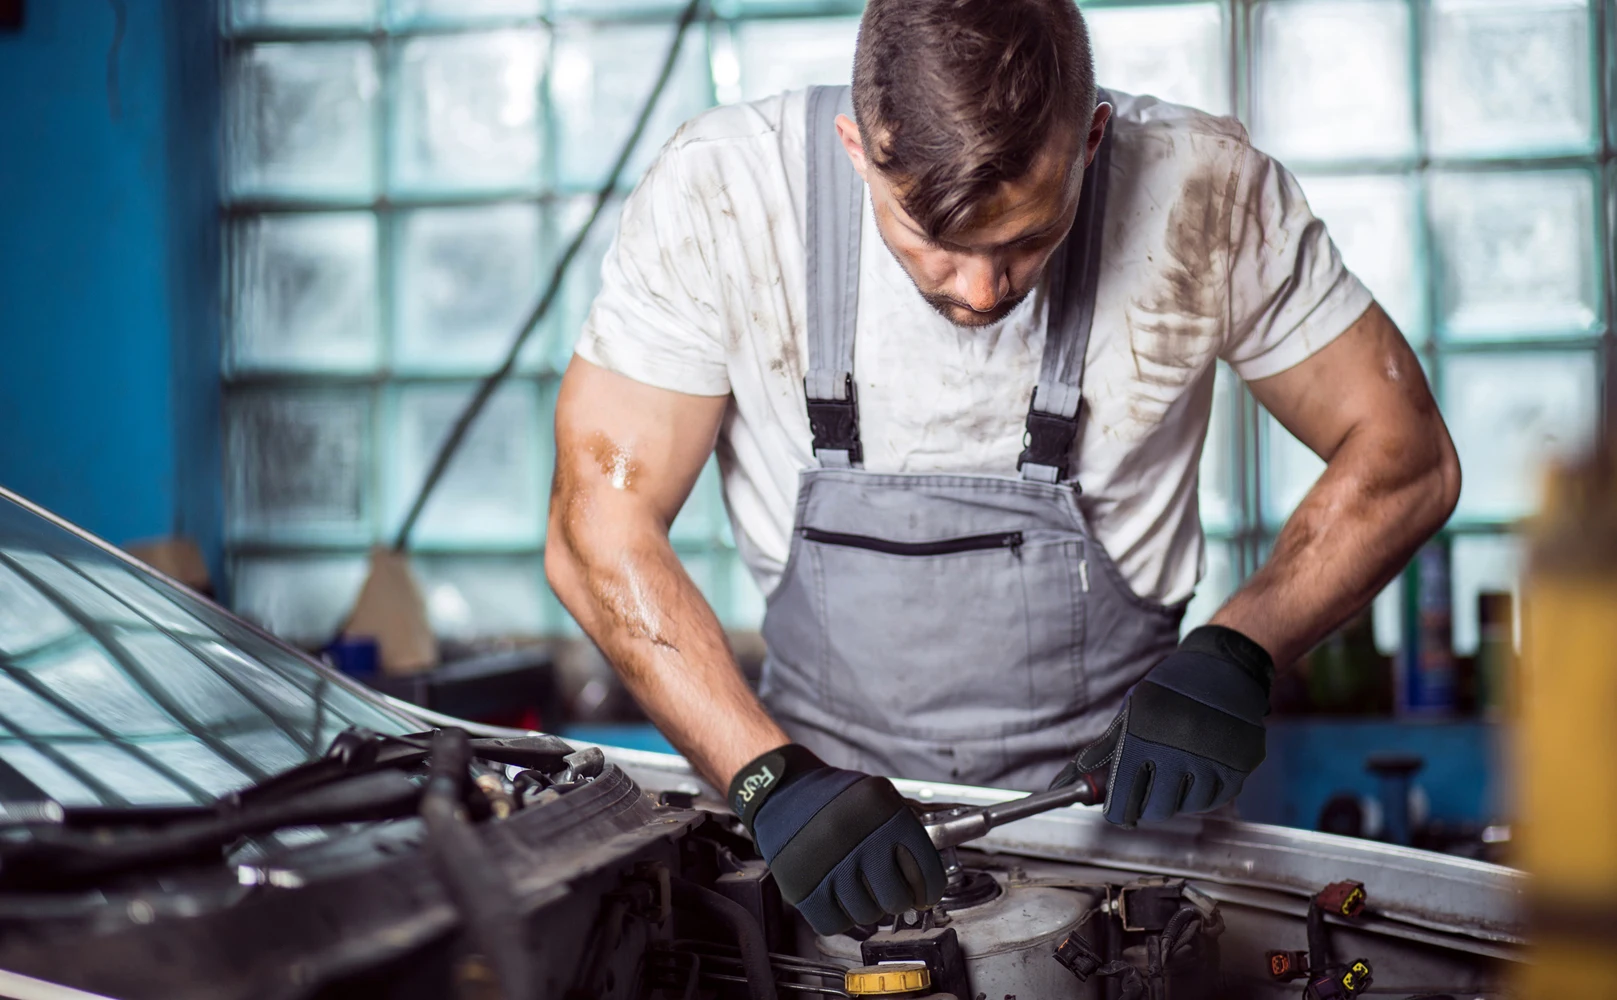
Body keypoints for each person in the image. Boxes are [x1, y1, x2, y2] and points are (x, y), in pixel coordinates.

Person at [546, 0, 1460, 935]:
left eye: (1027, 238)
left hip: (1121, 834)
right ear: (856, 148)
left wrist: (1241, 646)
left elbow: (1404, 452)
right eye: (934, 241)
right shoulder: (727, 195)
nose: (984, 292)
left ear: (1092, 137)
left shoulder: (1205, 192)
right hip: (819, 838)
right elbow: (596, 528)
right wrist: (767, 778)